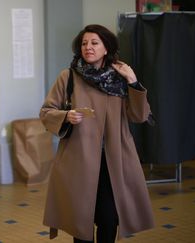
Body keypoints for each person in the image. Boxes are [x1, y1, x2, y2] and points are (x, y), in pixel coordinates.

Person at [40, 24, 154, 243]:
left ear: (106, 48)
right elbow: (46, 112)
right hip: (78, 159)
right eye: (84, 43)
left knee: (109, 219)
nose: (88, 48)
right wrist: (66, 116)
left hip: (114, 160)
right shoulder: (69, 76)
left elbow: (139, 116)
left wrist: (133, 80)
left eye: (94, 43)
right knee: (80, 221)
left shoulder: (120, 77)